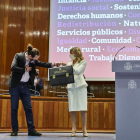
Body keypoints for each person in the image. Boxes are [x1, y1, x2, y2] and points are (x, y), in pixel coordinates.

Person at [7, 44, 60, 136]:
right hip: (15, 86)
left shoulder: (33, 60)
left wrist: (54, 64)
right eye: (35, 59)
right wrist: (25, 69)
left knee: (28, 108)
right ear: (30, 56)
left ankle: (31, 130)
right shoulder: (18, 56)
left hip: (26, 86)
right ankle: (14, 130)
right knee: (14, 108)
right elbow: (13, 67)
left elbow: (42, 64)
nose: (36, 61)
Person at [62, 47, 88, 137]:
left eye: (72, 53)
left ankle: (84, 128)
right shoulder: (69, 63)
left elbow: (78, 71)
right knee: (72, 108)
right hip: (71, 86)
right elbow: (68, 73)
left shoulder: (83, 62)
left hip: (80, 86)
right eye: (70, 53)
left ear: (77, 53)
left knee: (83, 108)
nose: (71, 54)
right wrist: (65, 68)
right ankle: (73, 128)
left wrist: (69, 67)